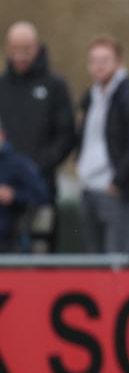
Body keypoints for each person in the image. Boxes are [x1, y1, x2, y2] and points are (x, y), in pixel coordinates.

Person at [0, 21, 76, 252]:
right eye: (15, 49)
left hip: (41, 190)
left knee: (40, 255)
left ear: (37, 47)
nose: (20, 55)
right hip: (5, 194)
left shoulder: (55, 86)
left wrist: (37, 167)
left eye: (26, 49)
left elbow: (66, 136)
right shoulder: (2, 86)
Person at [75, 35, 129, 254]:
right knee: (95, 260)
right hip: (89, 187)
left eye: (104, 60)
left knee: (116, 259)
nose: (98, 66)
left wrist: (118, 181)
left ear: (118, 62)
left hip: (115, 190)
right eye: (94, 60)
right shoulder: (91, 96)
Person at [0, 116, 49, 252]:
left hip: (8, 238)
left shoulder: (18, 164)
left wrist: (14, 195)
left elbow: (41, 196)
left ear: (2, 135)